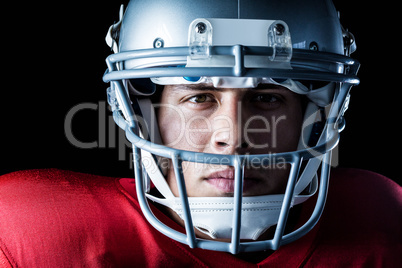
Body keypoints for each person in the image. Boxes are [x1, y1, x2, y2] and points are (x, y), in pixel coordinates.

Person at [0, 0, 401, 266]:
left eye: (267, 98)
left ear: (315, 114)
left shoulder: (382, 223)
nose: (234, 137)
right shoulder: (38, 235)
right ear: (144, 113)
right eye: (200, 97)